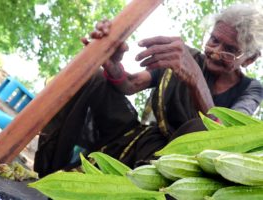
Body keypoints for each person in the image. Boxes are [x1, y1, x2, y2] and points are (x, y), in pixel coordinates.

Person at [34, 4, 263, 177]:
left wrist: (195, 80)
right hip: (139, 138)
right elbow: (131, 84)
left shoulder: (251, 89)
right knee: (95, 77)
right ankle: (46, 172)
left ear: (250, 59)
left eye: (230, 50)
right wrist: (114, 66)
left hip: (178, 166)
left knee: (201, 126)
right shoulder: (187, 58)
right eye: (214, 40)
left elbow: (226, 135)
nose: (214, 52)